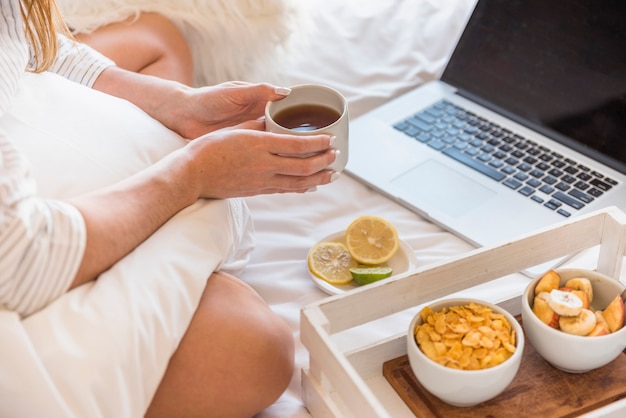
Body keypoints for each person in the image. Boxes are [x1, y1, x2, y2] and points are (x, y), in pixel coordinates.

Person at [0, 0, 340, 416]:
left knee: (158, 37)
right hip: (23, 260)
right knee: (256, 350)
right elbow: (21, 258)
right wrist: (191, 176)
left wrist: (177, 104)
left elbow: (24, 43)